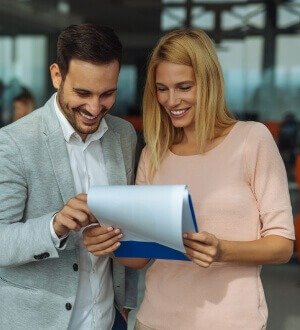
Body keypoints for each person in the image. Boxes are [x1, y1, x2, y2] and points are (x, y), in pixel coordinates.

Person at [84, 28, 295, 330]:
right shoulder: (154, 155)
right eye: (162, 88)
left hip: (234, 322)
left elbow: (282, 245)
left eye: (184, 87)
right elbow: (140, 258)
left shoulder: (252, 139)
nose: (171, 100)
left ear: (208, 83)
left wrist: (222, 250)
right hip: (156, 320)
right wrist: (107, 243)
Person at [0, 24, 138, 330]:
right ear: (56, 76)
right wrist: (56, 226)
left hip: (108, 319)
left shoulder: (124, 136)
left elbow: (129, 221)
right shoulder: (13, 142)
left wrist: (125, 305)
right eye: (83, 92)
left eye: (108, 94)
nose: (94, 107)